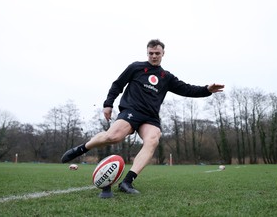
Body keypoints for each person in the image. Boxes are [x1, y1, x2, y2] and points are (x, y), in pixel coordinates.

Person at [61, 39, 224, 196]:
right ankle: (82, 148)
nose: (154, 56)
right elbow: (118, 84)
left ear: (163, 54)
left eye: (157, 53)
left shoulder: (166, 77)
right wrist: (108, 104)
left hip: (150, 117)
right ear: (147, 52)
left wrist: (207, 89)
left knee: (153, 139)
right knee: (112, 137)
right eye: (151, 53)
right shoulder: (136, 67)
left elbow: (187, 89)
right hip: (131, 110)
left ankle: (127, 182)